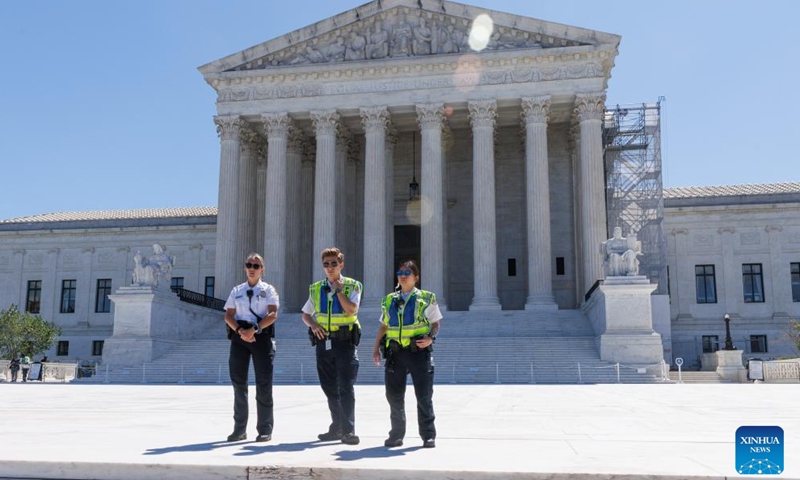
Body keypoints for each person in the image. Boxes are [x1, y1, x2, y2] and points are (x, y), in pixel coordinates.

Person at [372, 260, 442, 448]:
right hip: (395, 353)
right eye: (400, 272)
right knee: (394, 396)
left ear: (416, 277)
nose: (403, 275)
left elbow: (436, 323)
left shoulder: (427, 298)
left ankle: (428, 435)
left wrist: (430, 338)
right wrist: (376, 347)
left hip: (418, 352)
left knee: (424, 396)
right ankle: (396, 435)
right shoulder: (389, 300)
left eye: (407, 272)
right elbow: (384, 326)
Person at [301, 247, 363, 445]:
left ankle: (348, 430)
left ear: (341, 265)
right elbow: (306, 314)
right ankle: (336, 427)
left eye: (333, 264)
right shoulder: (316, 288)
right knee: (329, 387)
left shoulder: (352, 286)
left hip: (345, 342)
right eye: (326, 264)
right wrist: (314, 325)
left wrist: (338, 291)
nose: (329, 267)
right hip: (324, 343)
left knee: (346, 387)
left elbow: (352, 310)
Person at [223, 253, 279, 443]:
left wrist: (254, 329)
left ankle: (265, 429)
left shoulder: (268, 290)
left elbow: (272, 314)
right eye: (249, 265)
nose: (252, 268)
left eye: (256, 265)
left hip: (261, 337)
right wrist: (240, 331)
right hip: (239, 338)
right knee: (239, 385)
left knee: (264, 384)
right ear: (245, 268)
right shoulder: (237, 290)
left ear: (262, 269)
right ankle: (239, 430)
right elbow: (228, 315)